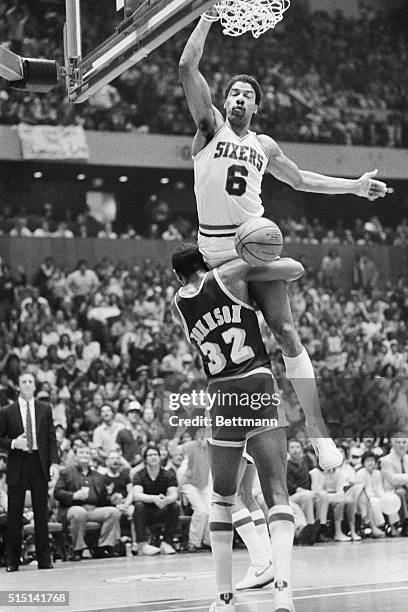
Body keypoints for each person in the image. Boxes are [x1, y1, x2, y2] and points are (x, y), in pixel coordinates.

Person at [179, 13, 389, 471]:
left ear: (257, 106)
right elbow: (187, 68)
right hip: (215, 257)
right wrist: (207, 15)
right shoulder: (208, 127)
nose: (237, 98)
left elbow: (301, 181)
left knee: (287, 333)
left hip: (253, 246)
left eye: (246, 95)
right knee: (239, 360)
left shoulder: (265, 146)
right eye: (233, 92)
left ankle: (319, 434)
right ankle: (240, 448)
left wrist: (354, 186)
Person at [171, 244, 304, 612]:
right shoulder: (229, 274)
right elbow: (290, 268)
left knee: (221, 498)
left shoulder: (177, 304)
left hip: (221, 392)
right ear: (206, 262)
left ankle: (224, 598)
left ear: (178, 276)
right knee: (277, 492)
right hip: (257, 382)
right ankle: (283, 593)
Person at [0, 371, 59, 571]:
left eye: (30, 381)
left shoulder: (45, 409)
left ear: (35, 386)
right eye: (23, 381)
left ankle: (45, 559)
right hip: (18, 463)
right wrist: (15, 443)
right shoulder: (7, 411)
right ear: (18, 386)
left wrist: (54, 463)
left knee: (41, 513)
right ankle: (12, 561)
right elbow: (1, 439)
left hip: (38, 463)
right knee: (15, 515)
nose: (27, 384)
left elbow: (51, 437)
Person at [54, 445, 121, 560]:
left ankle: (103, 547)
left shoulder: (98, 476)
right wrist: (74, 495)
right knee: (79, 512)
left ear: (91, 456)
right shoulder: (66, 472)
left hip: (93, 510)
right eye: (81, 453)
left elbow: (104, 498)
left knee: (114, 512)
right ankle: (77, 549)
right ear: (75, 456)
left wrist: (112, 499)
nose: (84, 455)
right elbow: (57, 493)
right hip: (73, 508)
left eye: (87, 453)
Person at [132, 445, 180, 556]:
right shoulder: (139, 475)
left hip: (162, 509)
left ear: (160, 457)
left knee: (175, 506)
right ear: (145, 459)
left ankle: (167, 543)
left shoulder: (168, 474)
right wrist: (154, 498)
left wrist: (166, 500)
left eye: (155, 455)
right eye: (150, 455)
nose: (153, 457)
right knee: (138, 505)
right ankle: (142, 544)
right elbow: (137, 495)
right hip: (146, 511)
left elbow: (174, 494)